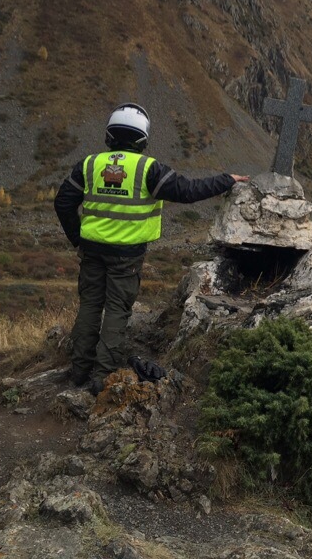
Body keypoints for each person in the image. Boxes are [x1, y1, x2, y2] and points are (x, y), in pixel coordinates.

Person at [54, 103, 248, 395]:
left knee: (91, 306)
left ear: (109, 135)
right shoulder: (148, 169)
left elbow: (63, 202)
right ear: (143, 139)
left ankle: (79, 371)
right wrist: (226, 180)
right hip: (127, 256)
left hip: (92, 251)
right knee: (117, 310)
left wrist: (78, 238)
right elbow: (187, 192)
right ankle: (103, 375)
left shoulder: (89, 164)